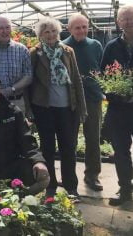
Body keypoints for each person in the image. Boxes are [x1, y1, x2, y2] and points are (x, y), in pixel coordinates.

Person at [26, 17, 87, 199]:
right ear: (40, 35)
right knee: (48, 148)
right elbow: (30, 83)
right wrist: (29, 109)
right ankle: (50, 186)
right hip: (44, 108)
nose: (51, 35)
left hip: (67, 108)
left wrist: (82, 108)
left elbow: (76, 80)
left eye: (53, 31)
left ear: (59, 32)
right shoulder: (35, 53)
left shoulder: (67, 51)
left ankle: (71, 187)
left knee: (68, 147)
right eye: (46, 32)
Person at [63, 13, 104, 192]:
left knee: (93, 138)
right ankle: (69, 178)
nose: (81, 30)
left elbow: (103, 70)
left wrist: (101, 90)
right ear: (69, 29)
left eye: (84, 27)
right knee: (69, 139)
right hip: (70, 99)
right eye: (77, 27)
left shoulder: (95, 45)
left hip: (92, 98)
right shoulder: (63, 46)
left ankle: (92, 175)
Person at [100, 4, 133, 206]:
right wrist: (115, 93)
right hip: (119, 109)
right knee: (121, 150)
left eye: (131, 18)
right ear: (119, 22)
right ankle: (125, 189)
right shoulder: (112, 46)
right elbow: (103, 75)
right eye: (125, 19)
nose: (129, 22)